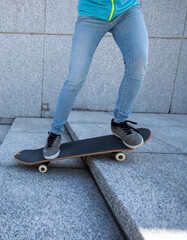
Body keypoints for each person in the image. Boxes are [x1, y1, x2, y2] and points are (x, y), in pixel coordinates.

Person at [43, 0, 148, 159]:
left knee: (138, 63)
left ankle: (120, 122)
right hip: (92, 12)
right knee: (75, 78)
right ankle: (55, 133)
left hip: (127, 10)